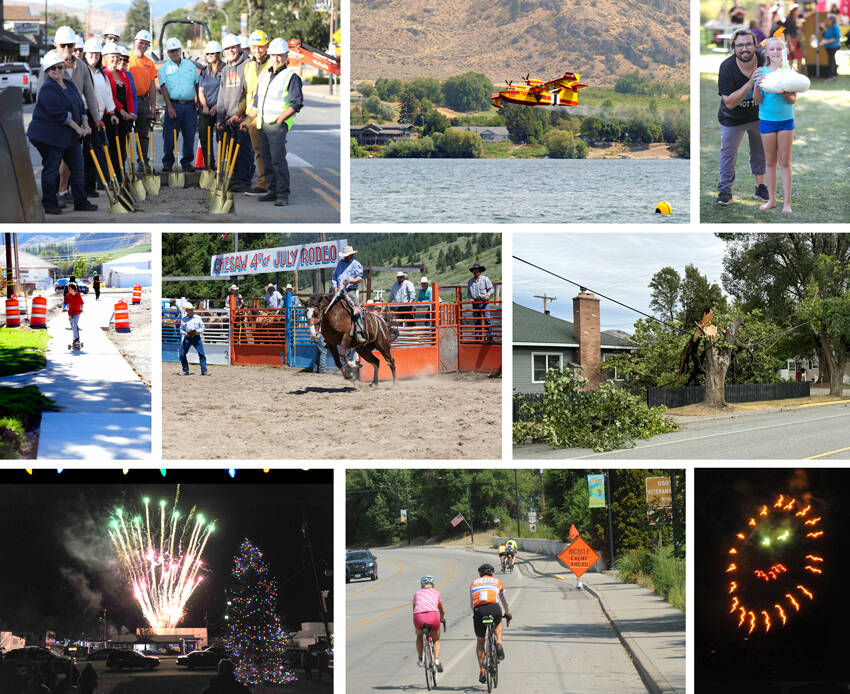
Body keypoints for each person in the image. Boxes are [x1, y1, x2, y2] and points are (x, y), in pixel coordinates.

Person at [28, 50, 96, 215]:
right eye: (53, 68)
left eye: (60, 67)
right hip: (49, 136)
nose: (57, 70)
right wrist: (79, 128)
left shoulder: (70, 85)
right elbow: (61, 115)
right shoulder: (47, 89)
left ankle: (81, 201)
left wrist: (86, 124)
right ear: (47, 71)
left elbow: (80, 106)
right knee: (51, 169)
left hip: (68, 135)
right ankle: (50, 204)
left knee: (77, 167)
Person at [246, 38, 303, 206]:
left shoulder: (291, 76)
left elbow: (296, 103)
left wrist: (281, 119)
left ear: (286, 57)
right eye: (274, 55)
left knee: (278, 160)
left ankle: (283, 195)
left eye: (280, 55)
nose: (276, 59)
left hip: (277, 126)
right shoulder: (264, 76)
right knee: (266, 159)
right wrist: (247, 120)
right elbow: (257, 102)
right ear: (269, 55)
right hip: (262, 124)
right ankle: (272, 190)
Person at [715, 28, 768, 205]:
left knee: (760, 152)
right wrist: (751, 82)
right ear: (733, 47)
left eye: (748, 44)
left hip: (757, 115)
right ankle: (725, 191)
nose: (744, 49)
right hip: (732, 118)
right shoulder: (727, 67)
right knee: (728, 153)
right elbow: (729, 102)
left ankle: (760, 188)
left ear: (755, 45)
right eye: (739, 45)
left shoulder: (763, 59)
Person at [754, 37, 798, 213]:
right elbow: (757, 100)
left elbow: (793, 99)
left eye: (779, 49)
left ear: (784, 51)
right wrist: (757, 86)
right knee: (770, 161)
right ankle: (771, 200)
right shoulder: (760, 72)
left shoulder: (790, 71)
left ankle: (787, 203)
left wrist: (785, 90)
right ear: (767, 52)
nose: (776, 52)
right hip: (766, 121)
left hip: (786, 121)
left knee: (785, 161)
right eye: (772, 49)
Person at [82, 38, 118, 198]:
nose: (94, 56)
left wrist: (112, 112)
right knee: (89, 154)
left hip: (101, 117)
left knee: (103, 149)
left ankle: (102, 180)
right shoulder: (82, 72)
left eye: (97, 54)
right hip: (88, 116)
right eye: (91, 53)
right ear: (85, 54)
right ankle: (90, 185)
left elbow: (107, 94)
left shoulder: (102, 74)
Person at [217, 33, 253, 193]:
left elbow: (250, 92)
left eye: (233, 47)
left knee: (244, 151)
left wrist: (239, 114)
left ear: (238, 47)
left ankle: (244, 181)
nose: (230, 50)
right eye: (227, 48)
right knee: (232, 152)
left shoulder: (248, 65)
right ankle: (236, 179)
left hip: (242, 117)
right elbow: (222, 94)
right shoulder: (225, 69)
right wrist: (220, 117)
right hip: (228, 118)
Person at [158, 37, 199, 173]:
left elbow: (197, 84)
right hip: (173, 105)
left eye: (176, 50)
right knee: (169, 136)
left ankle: (187, 162)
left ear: (180, 50)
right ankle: (168, 162)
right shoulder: (164, 69)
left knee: (189, 135)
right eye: (171, 51)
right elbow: (163, 89)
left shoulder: (191, 66)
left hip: (189, 106)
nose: (174, 53)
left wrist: (198, 101)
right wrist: (169, 107)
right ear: (168, 53)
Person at [470, 563, 512, 684]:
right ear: (492, 573)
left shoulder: (473, 583)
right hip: (494, 608)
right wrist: (508, 612)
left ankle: (482, 670)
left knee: (480, 641)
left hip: (479, 610)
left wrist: (477, 613)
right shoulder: (497, 581)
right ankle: (499, 642)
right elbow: (504, 600)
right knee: (498, 621)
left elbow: (471, 604)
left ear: (480, 574)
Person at [243, 29, 272, 196]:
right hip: (252, 116)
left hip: (268, 115)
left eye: (260, 47)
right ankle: (264, 183)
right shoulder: (250, 66)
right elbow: (246, 93)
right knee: (258, 151)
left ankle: (266, 184)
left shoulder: (272, 65)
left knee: (268, 151)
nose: (257, 50)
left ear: (266, 47)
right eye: (254, 47)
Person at [102, 42, 136, 176]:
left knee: (122, 146)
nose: (116, 60)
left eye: (117, 57)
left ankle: (121, 173)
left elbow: (129, 96)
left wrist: (131, 112)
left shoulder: (124, 75)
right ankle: (111, 175)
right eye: (113, 57)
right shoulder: (104, 74)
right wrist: (121, 110)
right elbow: (108, 94)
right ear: (105, 58)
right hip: (111, 114)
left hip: (125, 116)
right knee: (112, 146)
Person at [128, 30, 157, 171]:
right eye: (141, 43)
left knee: (143, 133)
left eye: (146, 44)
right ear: (135, 42)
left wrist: (153, 107)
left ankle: (143, 161)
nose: (143, 46)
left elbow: (152, 86)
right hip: (128, 101)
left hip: (143, 101)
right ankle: (124, 162)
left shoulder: (149, 63)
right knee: (125, 133)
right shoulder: (126, 59)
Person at [331, 245, 366, 343]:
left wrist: (350, 281)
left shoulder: (356, 264)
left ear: (351, 255)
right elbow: (334, 276)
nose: (345, 257)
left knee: (357, 309)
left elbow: (359, 278)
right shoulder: (340, 263)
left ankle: (359, 331)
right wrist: (334, 288)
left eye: (346, 256)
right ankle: (329, 333)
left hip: (349, 291)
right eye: (344, 256)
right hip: (338, 291)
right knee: (329, 308)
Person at [199, 41, 224, 171]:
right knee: (204, 135)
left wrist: (217, 105)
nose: (210, 55)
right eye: (207, 53)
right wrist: (204, 106)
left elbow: (226, 90)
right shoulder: (204, 71)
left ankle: (222, 166)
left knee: (221, 137)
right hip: (206, 109)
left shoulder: (225, 69)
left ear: (218, 54)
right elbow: (201, 90)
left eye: (212, 53)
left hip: (220, 109)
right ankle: (210, 165)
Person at [413, 575, 445, 672]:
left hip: (419, 617)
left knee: (419, 635)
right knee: (436, 639)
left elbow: (414, 609)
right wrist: (441, 619)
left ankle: (419, 659)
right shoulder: (436, 593)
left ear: (422, 585)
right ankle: (436, 660)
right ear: (432, 584)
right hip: (433, 616)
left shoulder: (417, 594)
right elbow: (442, 610)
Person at [179, 302, 208, 376]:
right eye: (189, 309)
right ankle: (185, 370)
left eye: (191, 309)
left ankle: (204, 371)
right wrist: (185, 333)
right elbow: (181, 330)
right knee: (182, 354)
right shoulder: (184, 319)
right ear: (186, 311)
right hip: (187, 337)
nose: (191, 310)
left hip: (196, 337)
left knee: (201, 354)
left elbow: (203, 327)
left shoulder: (198, 318)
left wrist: (197, 331)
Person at [468, 263, 494, 339]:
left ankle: (490, 336)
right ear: (472, 272)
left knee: (487, 318)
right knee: (477, 320)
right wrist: (470, 298)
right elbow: (469, 292)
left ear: (480, 271)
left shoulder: (485, 279)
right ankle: (478, 337)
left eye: (477, 270)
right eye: (474, 270)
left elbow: (491, 288)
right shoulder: (470, 281)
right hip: (475, 302)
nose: (476, 272)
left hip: (484, 301)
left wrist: (488, 295)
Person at [784, 4, 803, 72]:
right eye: (797, 10)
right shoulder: (788, 19)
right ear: (794, 11)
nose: (799, 11)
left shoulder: (795, 18)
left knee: (799, 57)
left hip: (796, 40)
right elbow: (787, 33)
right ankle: (790, 72)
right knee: (791, 58)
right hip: (791, 40)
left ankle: (799, 72)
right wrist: (790, 44)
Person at [821, 15, 841, 81]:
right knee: (832, 61)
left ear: (832, 20)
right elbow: (824, 34)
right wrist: (823, 28)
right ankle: (834, 75)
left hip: (833, 46)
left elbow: (837, 37)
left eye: (828, 20)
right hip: (828, 47)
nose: (827, 21)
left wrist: (828, 41)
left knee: (831, 61)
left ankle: (831, 76)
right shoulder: (828, 27)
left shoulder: (835, 27)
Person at [65, 281, 84, 347]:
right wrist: (66, 308)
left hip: (77, 312)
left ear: (73, 289)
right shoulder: (68, 295)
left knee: (75, 324)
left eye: (69, 288)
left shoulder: (78, 295)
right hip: (70, 312)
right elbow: (68, 304)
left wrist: (82, 309)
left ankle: (76, 339)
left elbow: (82, 303)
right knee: (73, 326)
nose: (68, 290)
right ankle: (75, 339)